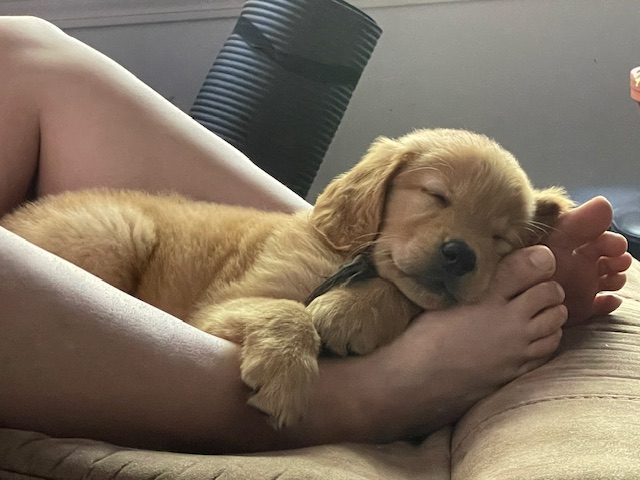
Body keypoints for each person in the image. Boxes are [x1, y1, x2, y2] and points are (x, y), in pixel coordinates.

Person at [0, 16, 633, 454]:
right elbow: (230, 309)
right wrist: (287, 320)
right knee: (108, 238)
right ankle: (356, 399)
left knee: (24, 47)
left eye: (499, 240)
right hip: (158, 287)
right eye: (436, 199)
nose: (459, 239)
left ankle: (361, 264)